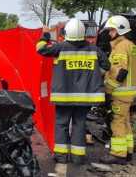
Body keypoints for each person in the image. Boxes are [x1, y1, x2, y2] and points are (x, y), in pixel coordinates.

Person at [36, 18, 110, 165]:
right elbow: (106, 66)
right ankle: (78, 157)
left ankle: (62, 156)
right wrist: (94, 74)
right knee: (79, 125)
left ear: (67, 32)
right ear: (83, 33)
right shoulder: (94, 50)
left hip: (64, 98)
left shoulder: (60, 48)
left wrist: (45, 35)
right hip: (85, 98)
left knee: (61, 125)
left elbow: (40, 48)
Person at [100, 15, 136, 165]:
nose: (109, 33)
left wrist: (108, 91)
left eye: (112, 30)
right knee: (126, 121)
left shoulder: (120, 46)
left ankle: (118, 154)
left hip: (120, 93)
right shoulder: (131, 45)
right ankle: (128, 151)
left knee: (117, 123)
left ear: (119, 30)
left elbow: (119, 72)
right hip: (130, 92)